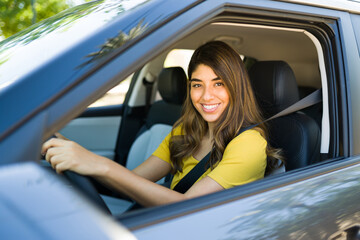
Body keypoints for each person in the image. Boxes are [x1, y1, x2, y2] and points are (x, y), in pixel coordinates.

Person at [42, 41, 282, 208]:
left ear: (236, 87)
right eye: (197, 84)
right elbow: (135, 179)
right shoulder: (186, 131)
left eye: (218, 84)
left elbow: (188, 208)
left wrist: (99, 164)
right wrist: (73, 150)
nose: (206, 96)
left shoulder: (250, 144)